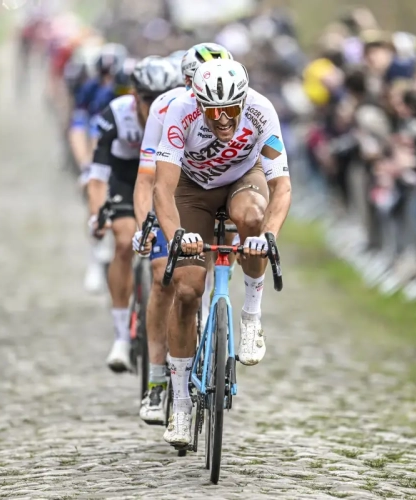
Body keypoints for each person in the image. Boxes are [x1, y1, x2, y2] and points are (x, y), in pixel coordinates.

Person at [153, 59, 292, 446]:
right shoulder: (179, 112)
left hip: (242, 182)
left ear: (243, 101)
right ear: (198, 103)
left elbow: (281, 186)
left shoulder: (262, 111)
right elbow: (163, 189)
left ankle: (251, 316)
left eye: (231, 110)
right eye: (214, 112)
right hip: (192, 190)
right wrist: (176, 234)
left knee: (252, 218)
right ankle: (180, 405)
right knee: (186, 291)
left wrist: (268, 235)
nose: (224, 120)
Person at [133, 43, 234, 425]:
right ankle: (159, 383)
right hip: (174, 196)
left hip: (217, 197)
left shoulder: (240, 110)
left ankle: (213, 327)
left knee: (212, 269)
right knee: (163, 278)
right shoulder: (166, 108)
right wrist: (147, 222)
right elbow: (147, 179)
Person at [87, 56, 180, 373]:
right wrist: (98, 214)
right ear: (135, 96)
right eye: (147, 99)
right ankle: (121, 337)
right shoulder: (116, 114)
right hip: (125, 179)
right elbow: (97, 175)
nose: (154, 107)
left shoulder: (180, 115)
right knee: (125, 241)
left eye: (161, 99)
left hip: (164, 179)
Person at [70, 43, 126, 294]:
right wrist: (85, 163)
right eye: (104, 75)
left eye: (112, 76)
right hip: (99, 149)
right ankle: (94, 257)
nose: (108, 81)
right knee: (92, 192)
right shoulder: (90, 91)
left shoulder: (127, 91)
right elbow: (80, 129)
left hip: (127, 152)